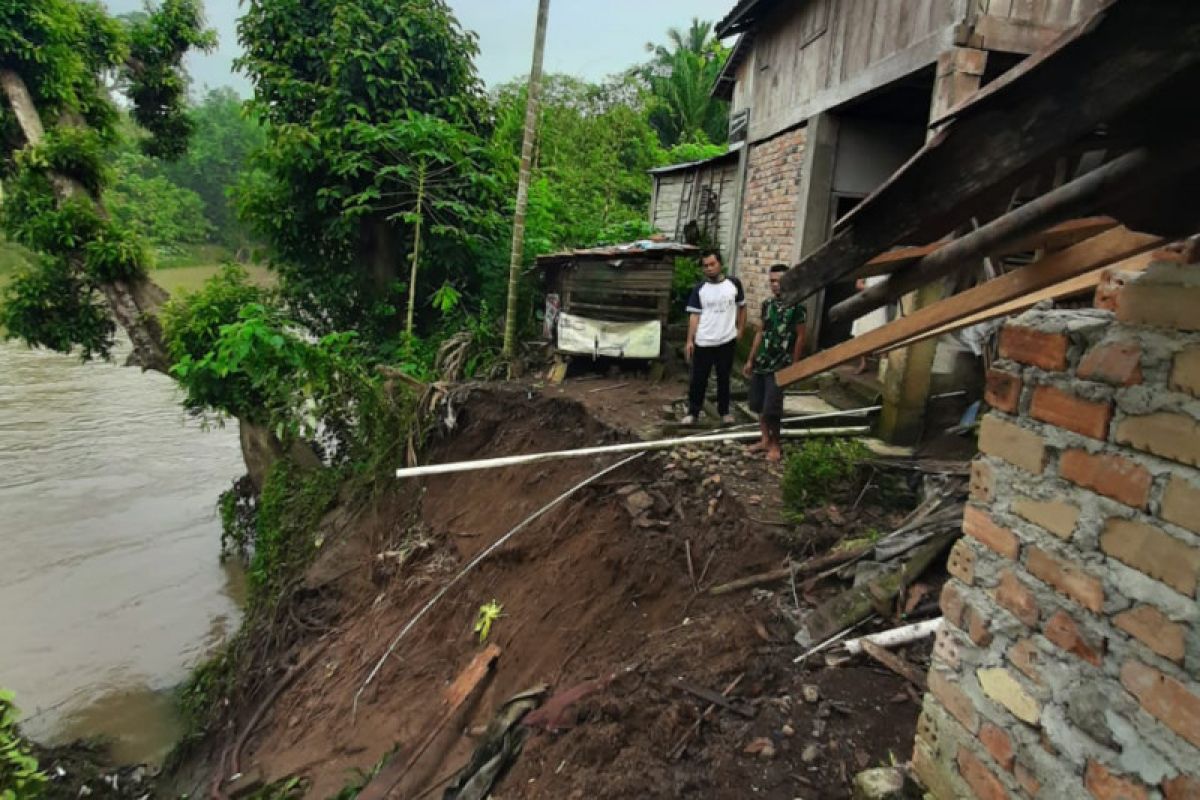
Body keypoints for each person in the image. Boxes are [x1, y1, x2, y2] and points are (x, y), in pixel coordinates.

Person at [742, 263, 806, 462]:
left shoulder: (797, 307)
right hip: (762, 361)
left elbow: (801, 336)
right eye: (772, 281)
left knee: (773, 407)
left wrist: (795, 364)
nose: (775, 285)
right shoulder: (767, 304)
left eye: (779, 281)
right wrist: (750, 359)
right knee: (758, 404)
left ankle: (775, 444)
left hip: (781, 363)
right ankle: (764, 439)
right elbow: (760, 332)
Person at [682, 249, 746, 426]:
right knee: (698, 379)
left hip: (726, 340)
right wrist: (690, 340)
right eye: (706, 266)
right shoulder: (700, 289)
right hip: (704, 340)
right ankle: (693, 412)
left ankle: (724, 412)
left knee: (724, 377)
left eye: (712, 264)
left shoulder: (734, 284)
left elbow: (742, 306)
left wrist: (741, 329)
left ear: (720, 264)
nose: (709, 268)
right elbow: (694, 315)